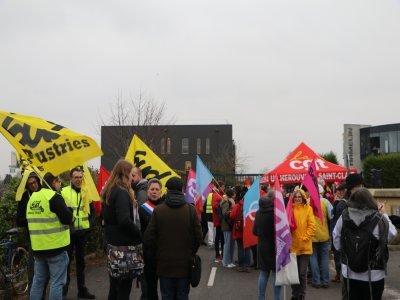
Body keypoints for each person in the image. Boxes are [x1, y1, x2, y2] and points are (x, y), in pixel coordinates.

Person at [144, 177, 202, 300]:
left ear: (167, 190)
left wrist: (158, 253)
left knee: (167, 296)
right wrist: (191, 252)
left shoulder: (158, 210)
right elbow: (198, 236)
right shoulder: (191, 210)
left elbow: (148, 237)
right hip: (184, 264)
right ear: (182, 190)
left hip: (164, 264)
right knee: (182, 295)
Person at [333, 188, 397, 300]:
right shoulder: (378, 219)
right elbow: (391, 235)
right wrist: (384, 214)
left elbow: (336, 238)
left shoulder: (344, 216)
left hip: (349, 271)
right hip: (374, 274)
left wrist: (347, 252)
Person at [27, 172, 73, 300]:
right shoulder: (54, 197)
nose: (60, 184)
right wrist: (70, 210)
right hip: (56, 248)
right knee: (57, 283)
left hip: (38, 249)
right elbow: (67, 219)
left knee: (38, 281)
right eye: (58, 181)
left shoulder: (33, 198)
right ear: (54, 182)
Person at [101, 159, 142, 300]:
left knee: (114, 286)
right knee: (124, 289)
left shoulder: (109, 191)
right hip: (123, 247)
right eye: (131, 174)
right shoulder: (122, 193)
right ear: (125, 174)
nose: (132, 177)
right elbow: (124, 220)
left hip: (112, 244)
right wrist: (138, 234)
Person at [61, 167, 96, 299]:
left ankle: (82, 290)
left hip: (82, 234)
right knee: (66, 263)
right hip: (68, 233)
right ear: (70, 178)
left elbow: (93, 213)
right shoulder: (63, 192)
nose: (78, 179)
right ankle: (63, 291)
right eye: (76, 177)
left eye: (80, 177)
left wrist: (89, 228)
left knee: (81, 264)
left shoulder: (86, 192)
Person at [16, 172, 46, 297]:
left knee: (46, 273)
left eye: (34, 182)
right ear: (27, 186)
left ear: (38, 181)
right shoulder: (24, 197)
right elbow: (19, 220)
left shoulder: (46, 192)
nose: (33, 185)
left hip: (48, 238)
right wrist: (31, 217)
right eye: (30, 184)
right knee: (33, 273)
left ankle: (42, 296)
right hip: (33, 240)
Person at [253, 191, 282, 300]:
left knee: (263, 273)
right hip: (274, 247)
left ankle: (261, 297)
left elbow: (254, 231)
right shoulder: (275, 214)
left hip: (262, 247)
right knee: (276, 275)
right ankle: (277, 298)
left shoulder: (258, 213)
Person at [138, 178, 164, 300]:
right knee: (150, 287)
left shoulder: (166, 209)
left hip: (163, 254)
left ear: (161, 192)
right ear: (148, 191)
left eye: (157, 189)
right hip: (148, 254)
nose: (154, 192)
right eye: (152, 189)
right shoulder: (141, 209)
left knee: (165, 287)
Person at [289, 188, 316, 300]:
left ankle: (302, 295)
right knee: (293, 275)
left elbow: (312, 225)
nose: (298, 199)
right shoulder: (290, 209)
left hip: (305, 246)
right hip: (293, 246)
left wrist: (305, 237)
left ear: (303, 198)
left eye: (300, 197)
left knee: (302, 273)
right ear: (293, 198)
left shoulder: (308, 209)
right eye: (296, 197)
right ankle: (294, 294)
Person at [309, 185, 333, 289]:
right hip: (324, 233)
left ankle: (316, 280)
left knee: (313, 257)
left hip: (311, 234)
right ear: (321, 192)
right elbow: (331, 215)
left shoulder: (307, 201)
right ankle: (325, 281)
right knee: (324, 257)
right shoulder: (325, 202)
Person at [230, 188, 250, 272]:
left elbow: (232, 216)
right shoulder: (250, 205)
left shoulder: (237, 206)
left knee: (240, 247)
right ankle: (247, 265)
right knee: (247, 248)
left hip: (239, 229)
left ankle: (241, 265)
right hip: (248, 229)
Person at [331, 182, 347, 283]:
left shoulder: (340, 204)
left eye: (340, 191)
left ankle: (339, 274)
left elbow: (336, 219)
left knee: (338, 254)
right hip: (346, 233)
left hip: (340, 232)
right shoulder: (346, 203)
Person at [221, 188, 236, 268]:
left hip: (230, 225)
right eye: (234, 193)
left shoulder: (230, 201)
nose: (235, 194)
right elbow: (225, 213)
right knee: (227, 244)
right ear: (231, 194)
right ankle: (226, 262)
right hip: (227, 225)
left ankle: (229, 261)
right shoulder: (226, 202)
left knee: (231, 244)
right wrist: (232, 211)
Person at [211, 182, 225, 262]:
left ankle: (221, 254)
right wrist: (223, 203)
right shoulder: (216, 195)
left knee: (221, 237)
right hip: (218, 219)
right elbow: (215, 206)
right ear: (219, 187)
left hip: (220, 219)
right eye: (223, 187)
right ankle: (218, 254)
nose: (223, 188)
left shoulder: (219, 195)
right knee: (219, 237)